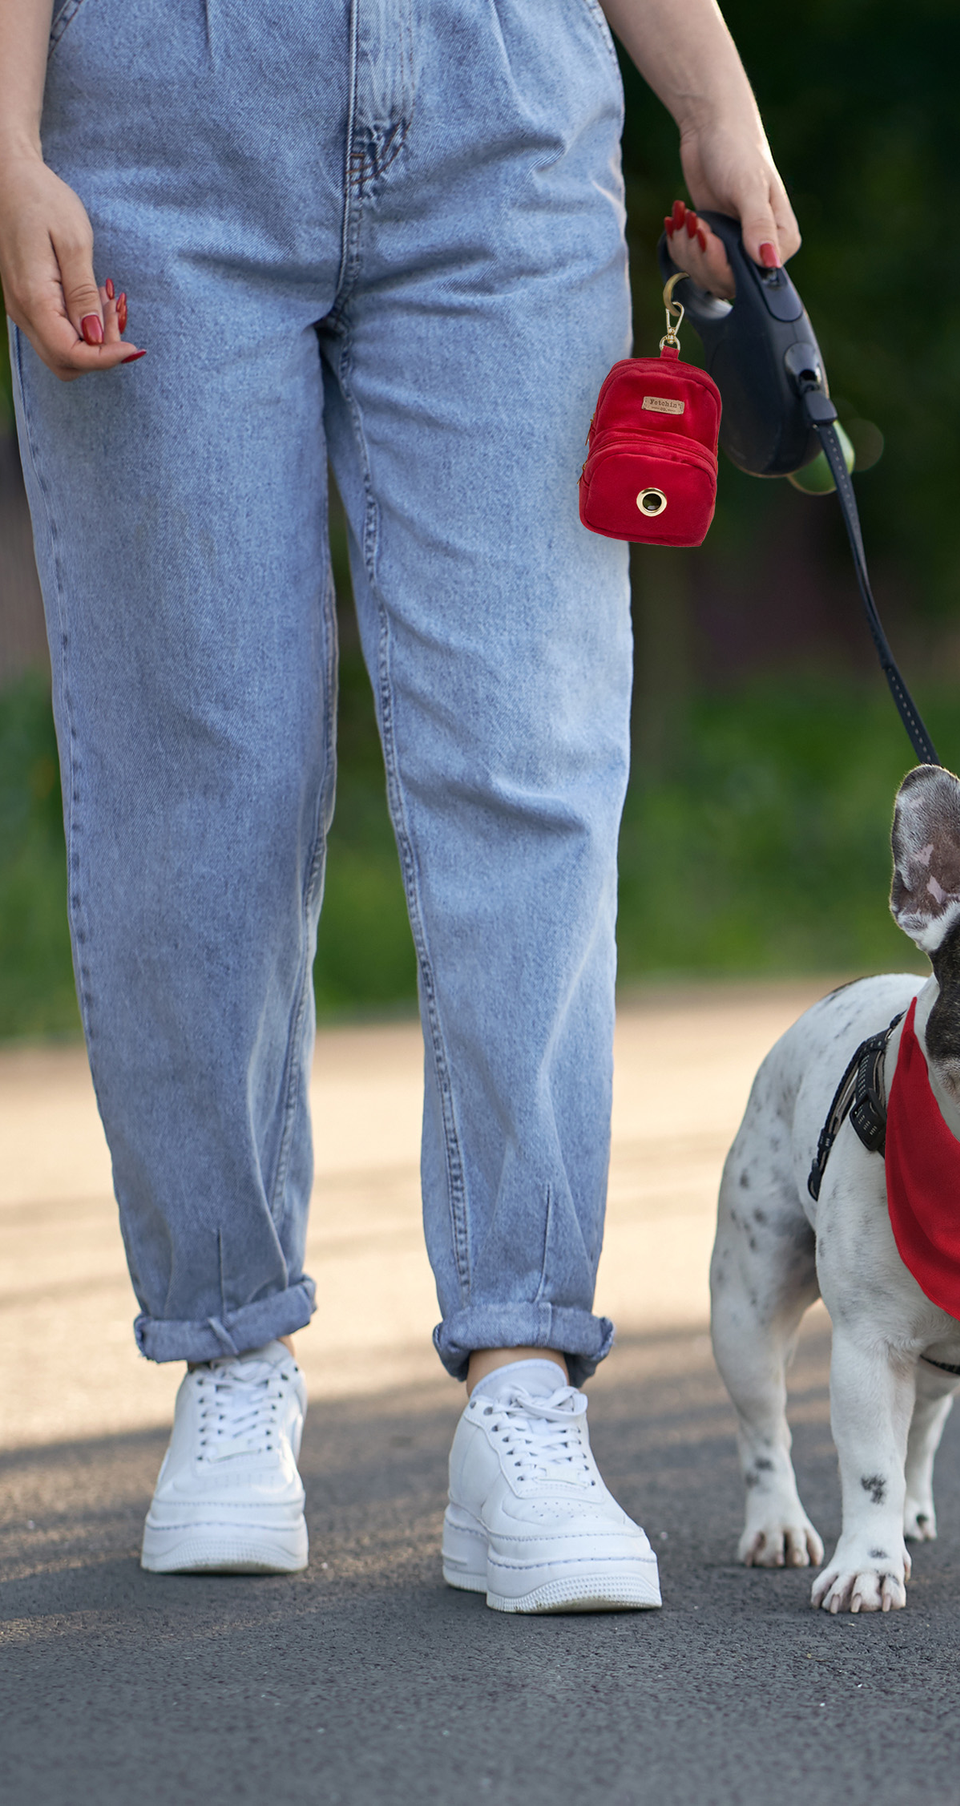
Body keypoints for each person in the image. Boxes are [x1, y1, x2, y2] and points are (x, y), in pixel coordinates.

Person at [0, 0, 797, 1611]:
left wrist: (712, 95)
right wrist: (5, 141)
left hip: (500, 105)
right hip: (157, 112)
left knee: (532, 748)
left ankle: (526, 1377)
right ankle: (228, 1348)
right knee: (197, 760)